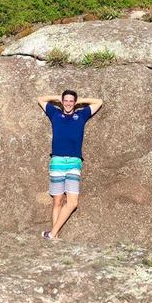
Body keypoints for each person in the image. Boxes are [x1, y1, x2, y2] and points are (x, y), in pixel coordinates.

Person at [37, 89, 103, 240]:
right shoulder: (55, 114)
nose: (68, 103)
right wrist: (58, 98)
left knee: (72, 202)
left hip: (74, 162)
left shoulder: (81, 115)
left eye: (71, 101)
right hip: (57, 162)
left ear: (75, 102)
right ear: (62, 101)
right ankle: (55, 235)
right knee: (57, 201)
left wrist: (80, 101)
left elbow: (99, 102)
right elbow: (40, 99)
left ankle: (52, 234)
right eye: (65, 100)